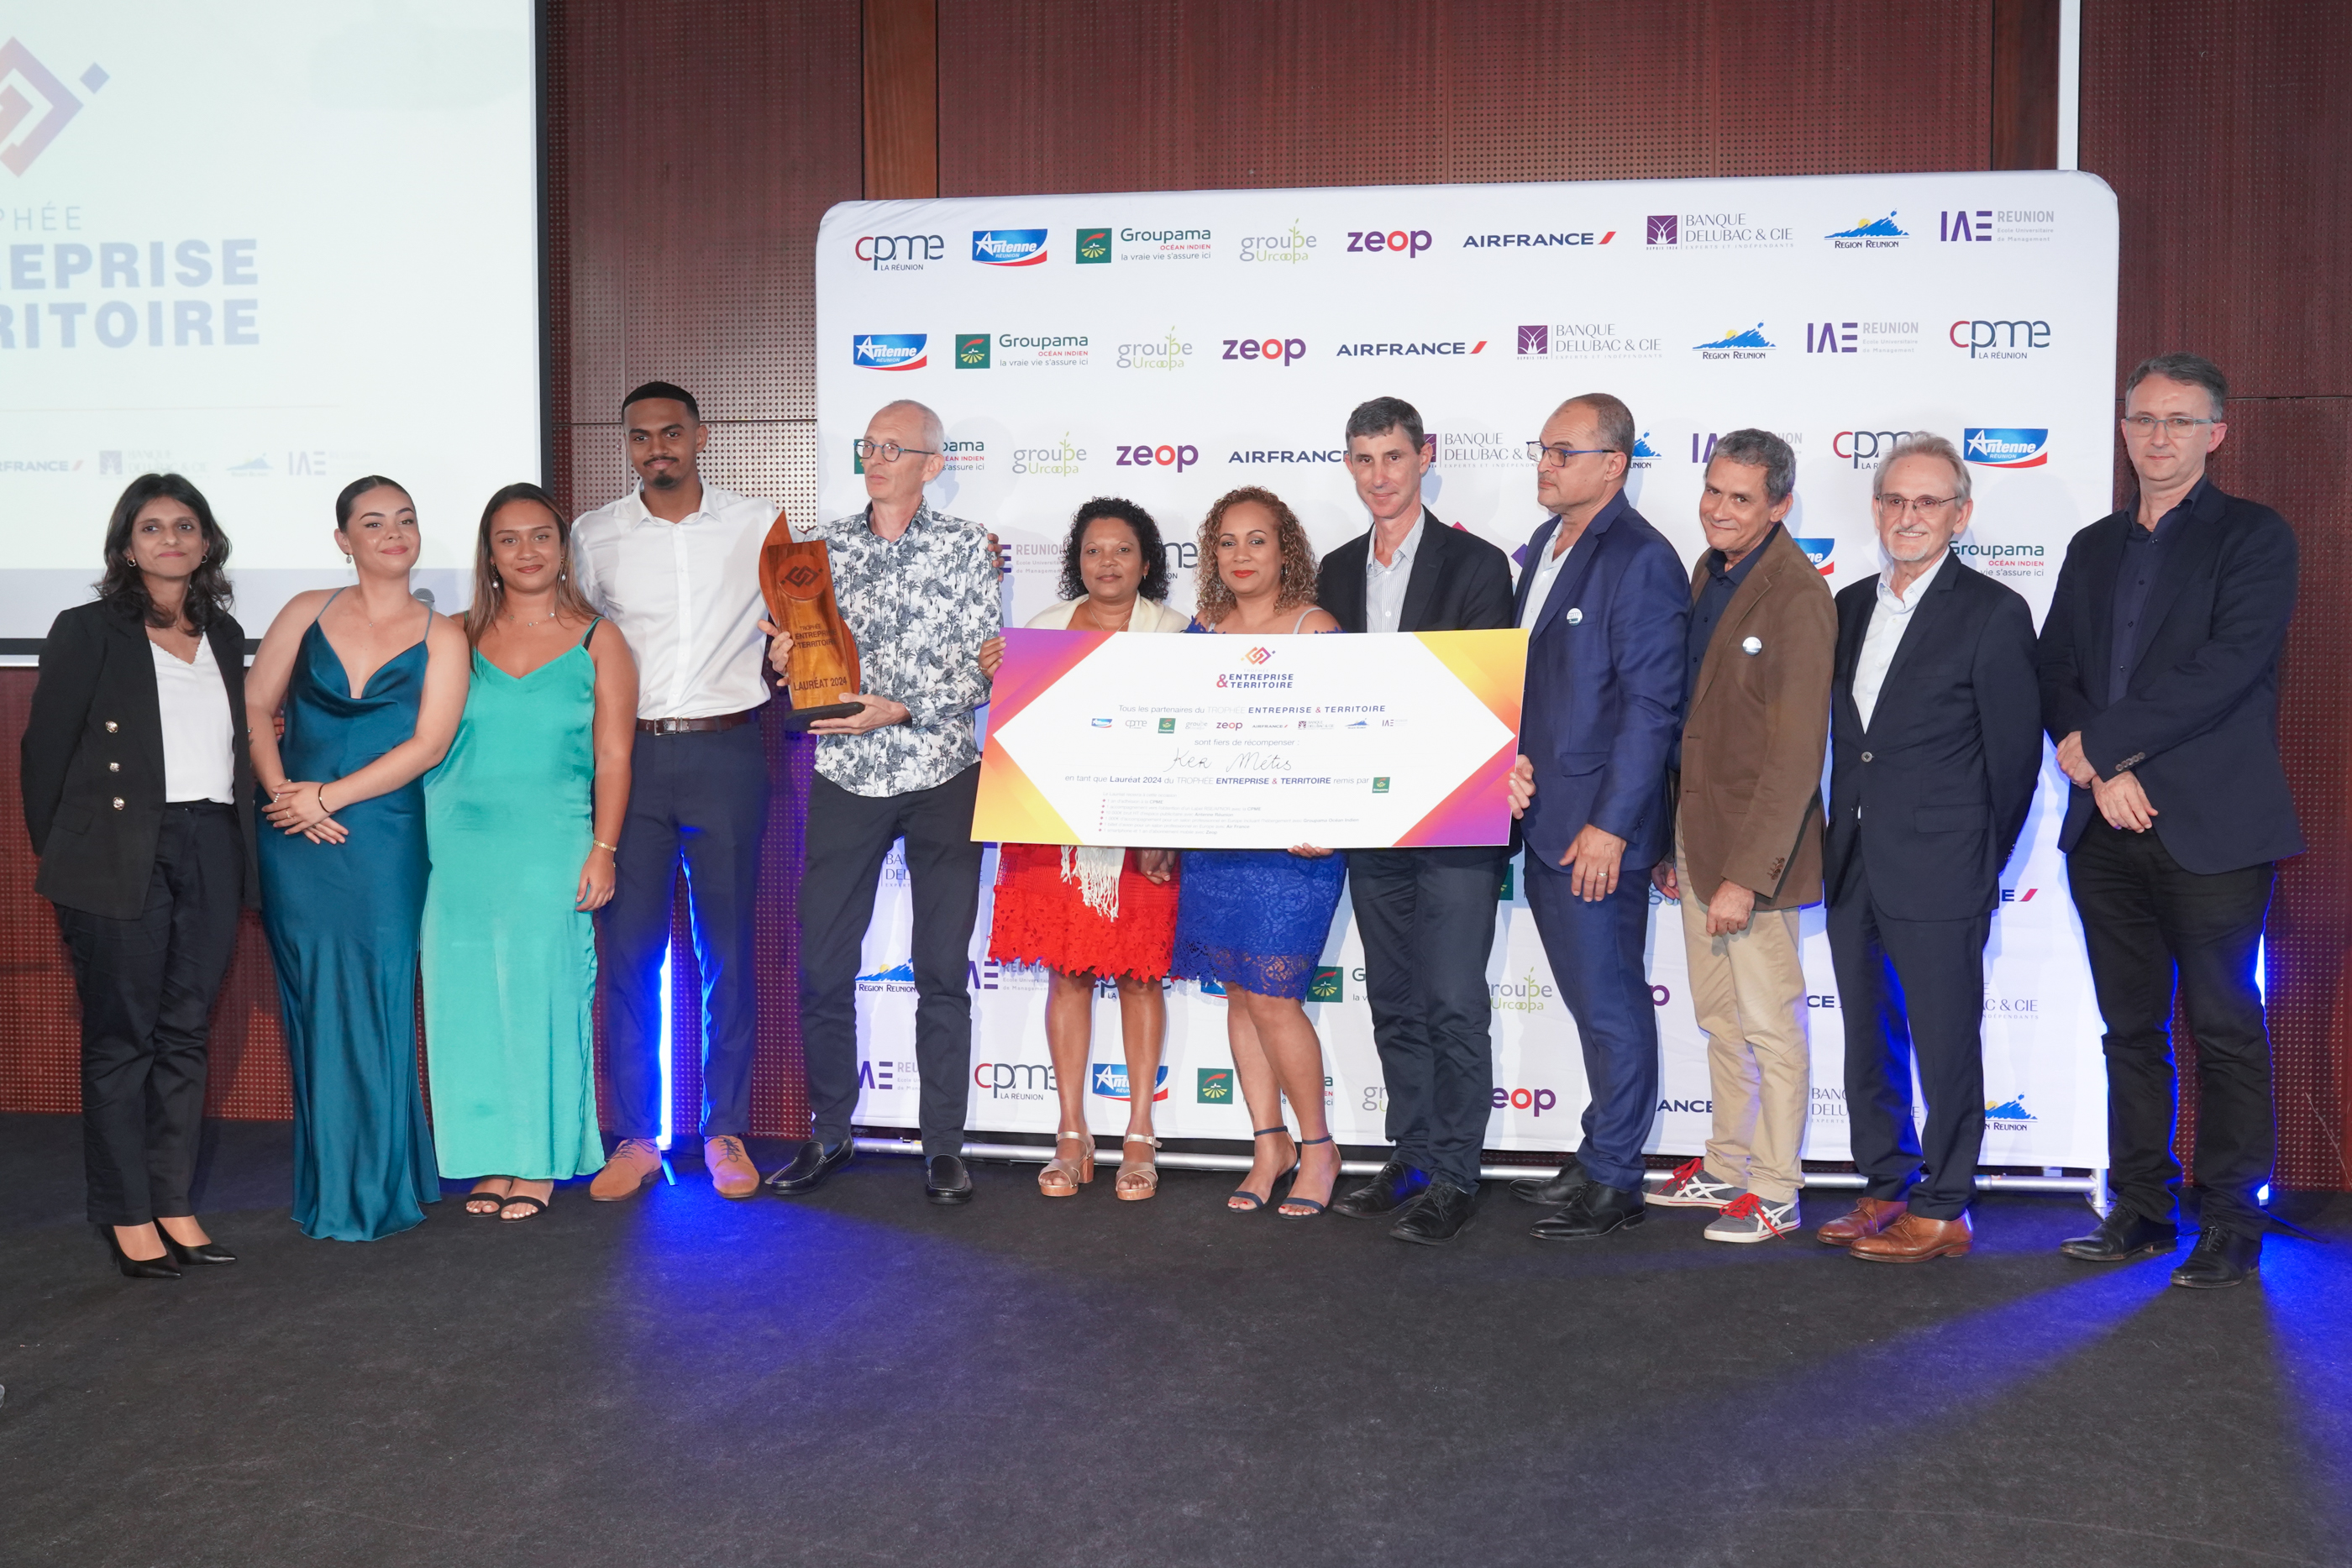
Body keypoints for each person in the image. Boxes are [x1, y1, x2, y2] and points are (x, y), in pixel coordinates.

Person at [2039, 352, 2302, 1289]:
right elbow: (2055, 669)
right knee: (2129, 1030)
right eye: (2144, 418)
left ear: (2215, 434)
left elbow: (2225, 669)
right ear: (2124, 429)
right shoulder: (2091, 546)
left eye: (2180, 420)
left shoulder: (2254, 537)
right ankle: (2143, 1208)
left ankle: (2230, 1220)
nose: (2159, 436)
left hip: (2212, 828)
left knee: (2226, 1028)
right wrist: (2093, 757)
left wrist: (2107, 750)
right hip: (2103, 830)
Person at [764, 399, 1000, 1206]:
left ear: (933, 465)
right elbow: (801, 660)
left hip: (943, 773)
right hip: (846, 773)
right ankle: (831, 1130)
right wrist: (785, 658)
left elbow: (983, 671)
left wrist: (899, 708)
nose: (875, 458)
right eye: (869, 445)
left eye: (894, 448)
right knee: (824, 964)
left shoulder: (968, 546)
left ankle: (945, 1147)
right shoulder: (818, 550)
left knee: (941, 969)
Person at [21, 475, 258, 1278]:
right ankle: (127, 1213)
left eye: (185, 525)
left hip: (212, 842)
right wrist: (72, 853)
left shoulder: (223, 631)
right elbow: (44, 753)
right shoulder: (88, 628)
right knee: (123, 1039)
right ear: (127, 546)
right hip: (116, 851)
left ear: (206, 541)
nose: (170, 539)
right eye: (152, 527)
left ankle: (174, 1202)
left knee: (185, 1033)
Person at [1818, 435, 2040, 1262]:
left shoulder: (1992, 612)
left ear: (1960, 514)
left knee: (1945, 1044)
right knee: (1868, 1037)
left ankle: (1945, 1205)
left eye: (1927, 502)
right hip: (1853, 859)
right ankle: (1885, 1185)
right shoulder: (1846, 606)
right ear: (1876, 509)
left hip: (1944, 866)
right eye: (1894, 500)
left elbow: (2014, 761)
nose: (1908, 516)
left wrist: (1977, 859)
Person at [1314, 397, 1514, 1245]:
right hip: (1372, 817)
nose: (1379, 476)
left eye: (1392, 457)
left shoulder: (1477, 563)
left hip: (1456, 814)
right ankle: (1415, 1153)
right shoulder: (1332, 570)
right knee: (1393, 996)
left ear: (1424, 456)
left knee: (1453, 1000)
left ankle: (1458, 1173)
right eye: (1363, 459)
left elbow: (1480, 691)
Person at [247, 476, 469, 1241]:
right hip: (294, 836)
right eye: (373, 523)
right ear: (343, 540)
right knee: (315, 1004)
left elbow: (430, 744)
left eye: (405, 519)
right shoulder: (304, 610)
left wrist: (328, 797)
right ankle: (335, 1180)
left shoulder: (444, 634)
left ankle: (376, 1184)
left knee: (377, 1001)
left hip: (382, 838)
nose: (393, 533)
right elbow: (256, 703)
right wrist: (284, 793)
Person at [570, 381, 776, 1202]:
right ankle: (636, 1136)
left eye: (671, 433)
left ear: (700, 435)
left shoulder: (759, 524)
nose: (656, 448)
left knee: (727, 951)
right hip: (631, 760)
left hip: (729, 751)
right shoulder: (593, 536)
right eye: (640, 436)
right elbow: (575, 643)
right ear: (626, 444)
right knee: (629, 953)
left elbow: (807, 623)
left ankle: (724, 1129)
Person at [1498, 395, 1688, 1243]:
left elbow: (1652, 706)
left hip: (1593, 833)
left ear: (1614, 464)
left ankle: (1616, 1177)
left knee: (1611, 1004)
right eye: (1542, 449)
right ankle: (1598, 1147)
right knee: (1590, 1003)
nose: (1545, 465)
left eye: (1563, 451)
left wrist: (1611, 826)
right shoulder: (1545, 542)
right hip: (1543, 819)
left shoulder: (1642, 558)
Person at [423, 484, 638, 1222]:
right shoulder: (452, 635)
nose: (526, 551)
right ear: (489, 553)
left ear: (563, 546)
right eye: (508, 538)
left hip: (553, 840)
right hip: (458, 844)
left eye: (541, 535)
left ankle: (541, 1158)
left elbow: (614, 757)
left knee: (545, 996)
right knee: (468, 1000)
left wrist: (604, 847)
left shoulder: (598, 639)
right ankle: (489, 1155)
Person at [1651, 430, 1835, 1244]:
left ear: (1779, 505)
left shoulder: (1797, 595)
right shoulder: (1710, 571)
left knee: (1768, 1024)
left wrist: (1746, 875)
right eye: (1713, 491)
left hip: (1755, 857)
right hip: (1698, 837)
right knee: (1721, 1019)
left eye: (1741, 498)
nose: (1719, 510)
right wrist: (1674, 844)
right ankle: (1727, 1164)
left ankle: (1777, 1188)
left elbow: (1795, 755)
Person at [977, 498, 1189, 1200]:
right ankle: (1071, 1133)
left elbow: (1188, 741)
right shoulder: (1039, 633)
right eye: (1094, 550)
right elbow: (1020, 731)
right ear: (1077, 562)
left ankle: (1140, 1134)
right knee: (1066, 974)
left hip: (1141, 835)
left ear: (1146, 563)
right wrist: (997, 673)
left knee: (1140, 978)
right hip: (1052, 834)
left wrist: (1162, 827)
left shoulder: (1177, 635)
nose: (1107, 562)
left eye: (1122, 550)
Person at [1168, 486, 1347, 1219]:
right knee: (1239, 993)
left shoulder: (1315, 628)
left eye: (1257, 540)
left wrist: (1330, 817)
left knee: (1274, 997)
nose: (1241, 555)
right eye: (1227, 541)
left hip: (1293, 847)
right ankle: (1269, 1144)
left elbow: (1347, 733)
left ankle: (1320, 1148)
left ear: (1285, 550)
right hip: (1218, 842)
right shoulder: (1201, 633)